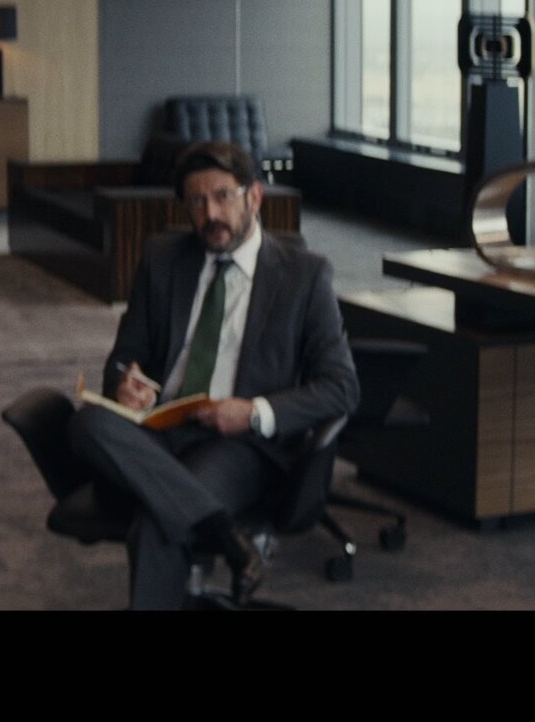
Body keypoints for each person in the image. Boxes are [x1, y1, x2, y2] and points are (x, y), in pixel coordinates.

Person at [68, 140, 359, 609]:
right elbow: (125, 356)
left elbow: (343, 386)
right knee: (87, 422)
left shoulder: (304, 277)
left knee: (157, 523)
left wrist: (254, 412)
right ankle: (227, 537)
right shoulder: (164, 258)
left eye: (223, 196)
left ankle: (204, 526)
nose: (210, 214)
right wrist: (127, 384)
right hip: (160, 427)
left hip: (238, 444)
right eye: (197, 202)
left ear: (254, 196)